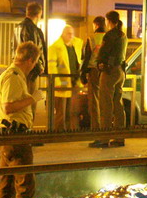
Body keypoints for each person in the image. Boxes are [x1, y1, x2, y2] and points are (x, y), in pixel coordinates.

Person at [0, 41, 41, 198]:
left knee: (5, 183)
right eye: (36, 62)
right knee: (25, 184)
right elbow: (8, 106)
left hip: (6, 137)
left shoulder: (9, 74)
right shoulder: (14, 77)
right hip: (16, 137)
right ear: (30, 60)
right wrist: (33, 98)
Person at [90, 10, 127, 148]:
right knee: (118, 104)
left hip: (109, 71)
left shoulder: (110, 35)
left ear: (108, 21)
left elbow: (103, 54)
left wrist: (101, 64)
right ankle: (119, 137)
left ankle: (104, 138)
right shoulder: (123, 35)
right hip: (120, 71)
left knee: (105, 105)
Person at [48, 25, 83, 131]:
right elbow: (52, 66)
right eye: (68, 33)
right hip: (61, 84)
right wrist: (56, 82)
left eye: (72, 33)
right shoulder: (55, 47)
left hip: (74, 83)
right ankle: (59, 133)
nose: (71, 35)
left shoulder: (75, 45)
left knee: (72, 111)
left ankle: (70, 131)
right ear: (62, 34)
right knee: (61, 112)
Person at [79, 16, 106, 130]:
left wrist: (83, 73)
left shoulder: (91, 38)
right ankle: (106, 127)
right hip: (105, 72)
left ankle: (96, 127)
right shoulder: (107, 37)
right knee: (105, 100)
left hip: (94, 71)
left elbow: (86, 57)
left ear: (96, 25)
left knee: (94, 102)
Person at [14, 2, 46, 92]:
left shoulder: (17, 28)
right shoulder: (34, 30)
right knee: (29, 98)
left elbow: (13, 48)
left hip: (18, 69)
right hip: (30, 71)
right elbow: (34, 50)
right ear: (39, 14)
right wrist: (39, 67)